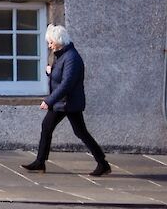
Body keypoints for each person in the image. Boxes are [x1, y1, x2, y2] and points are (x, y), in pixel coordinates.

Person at [22, 24, 111, 176]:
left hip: (69, 103)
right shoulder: (62, 55)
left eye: (51, 42)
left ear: (59, 40)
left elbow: (66, 84)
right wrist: (50, 72)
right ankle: (40, 162)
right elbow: (60, 78)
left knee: (81, 132)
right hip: (62, 102)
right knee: (47, 127)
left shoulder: (72, 58)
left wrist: (49, 100)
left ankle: (103, 164)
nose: (49, 46)